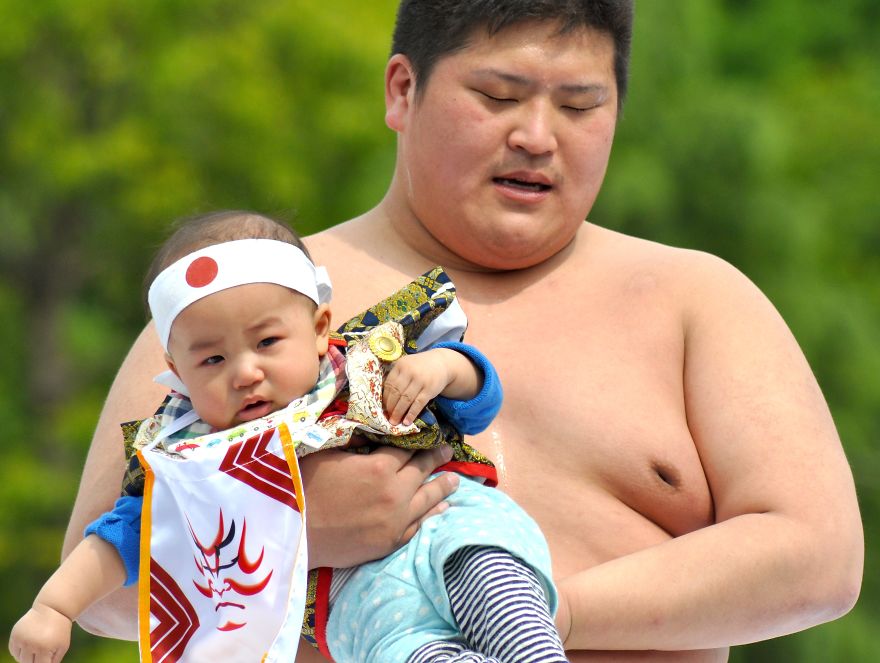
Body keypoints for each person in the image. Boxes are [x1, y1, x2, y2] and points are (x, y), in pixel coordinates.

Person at [58, 1, 863, 661]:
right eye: (499, 97)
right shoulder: (238, 308)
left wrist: (530, 614)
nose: (538, 136)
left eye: (579, 105)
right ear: (402, 90)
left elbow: (818, 556)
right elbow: (92, 590)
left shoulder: (699, 300)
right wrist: (287, 528)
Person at [11, 211, 567, 663]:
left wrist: (445, 368)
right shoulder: (192, 464)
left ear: (320, 329)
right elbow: (125, 537)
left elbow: (477, 407)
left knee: (509, 616)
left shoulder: (365, 364)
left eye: (267, 342)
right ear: (177, 373)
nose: (245, 372)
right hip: (359, 607)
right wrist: (53, 608)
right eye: (212, 359)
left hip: (453, 528)